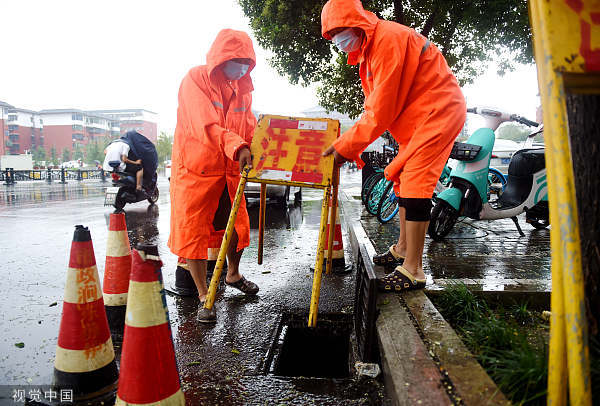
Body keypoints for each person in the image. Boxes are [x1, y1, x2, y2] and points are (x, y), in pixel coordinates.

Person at [320, 0, 466, 292]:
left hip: (437, 112)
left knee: (415, 182)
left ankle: (413, 269)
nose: (337, 39)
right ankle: (402, 248)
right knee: (400, 179)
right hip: (417, 119)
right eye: (332, 34)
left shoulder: (386, 40)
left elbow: (379, 110)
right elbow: (376, 107)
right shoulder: (368, 50)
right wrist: (346, 146)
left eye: (340, 30)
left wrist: (344, 148)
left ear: (357, 22)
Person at [168, 28, 259, 323]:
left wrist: (263, 146)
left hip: (230, 171)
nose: (242, 67)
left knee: (235, 227)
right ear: (221, 57)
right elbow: (204, 125)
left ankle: (232, 275)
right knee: (194, 234)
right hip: (197, 171)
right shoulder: (196, 79)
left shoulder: (242, 90)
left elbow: (250, 126)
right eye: (237, 60)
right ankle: (203, 294)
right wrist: (238, 146)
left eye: (247, 62)